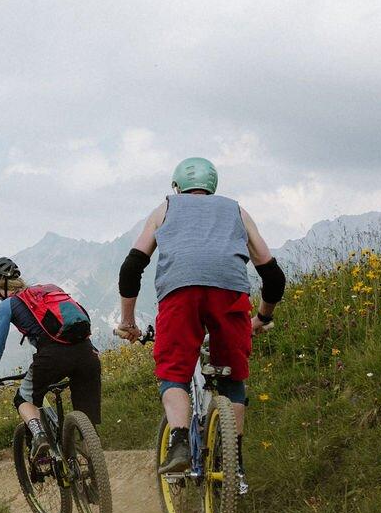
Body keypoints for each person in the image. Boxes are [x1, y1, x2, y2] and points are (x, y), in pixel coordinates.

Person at [112, 157, 285, 490]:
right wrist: (262, 317)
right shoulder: (237, 210)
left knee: (173, 371)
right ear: (213, 186)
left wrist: (128, 322)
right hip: (230, 293)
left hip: (180, 294)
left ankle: (178, 441)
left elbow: (131, 268)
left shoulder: (166, 207)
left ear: (176, 187)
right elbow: (273, 274)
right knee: (233, 377)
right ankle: (233, 465)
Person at [0, 257, 102, 473]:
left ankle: (39, 436)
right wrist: (91, 348)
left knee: (24, 397)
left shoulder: (7, 305)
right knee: (86, 418)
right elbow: (73, 319)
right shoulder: (50, 290)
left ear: (3, 284)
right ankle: (95, 468)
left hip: (52, 358)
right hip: (87, 353)